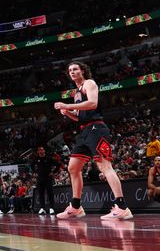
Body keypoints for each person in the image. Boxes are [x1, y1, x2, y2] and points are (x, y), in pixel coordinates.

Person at [54, 61, 133, 220]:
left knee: (105, 166)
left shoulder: (89, 83)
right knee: (73, 168)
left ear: (83, 71)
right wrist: (67, 113)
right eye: (70, 70)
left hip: (97, 129)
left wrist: (66, 105)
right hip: (84, 132)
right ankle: (76, 207)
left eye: (75, 69)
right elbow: (78, 117)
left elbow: (92, 103)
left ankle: (122, 207)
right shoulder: (77, 92)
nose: (72, 72)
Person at [33, 146, 60, 215]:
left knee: (50, 193)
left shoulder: (49, 158)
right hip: (40, 179)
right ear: (38, 152)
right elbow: (31, 165)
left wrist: (53, 172)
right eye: (39, 150)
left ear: (44, 151)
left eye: (42, 150)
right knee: (41, 194)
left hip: (48, 178)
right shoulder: (36, 159)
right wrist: (35, 172)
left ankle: (51, 208)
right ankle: (42, 208)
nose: (41, 151)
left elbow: (58, 165)